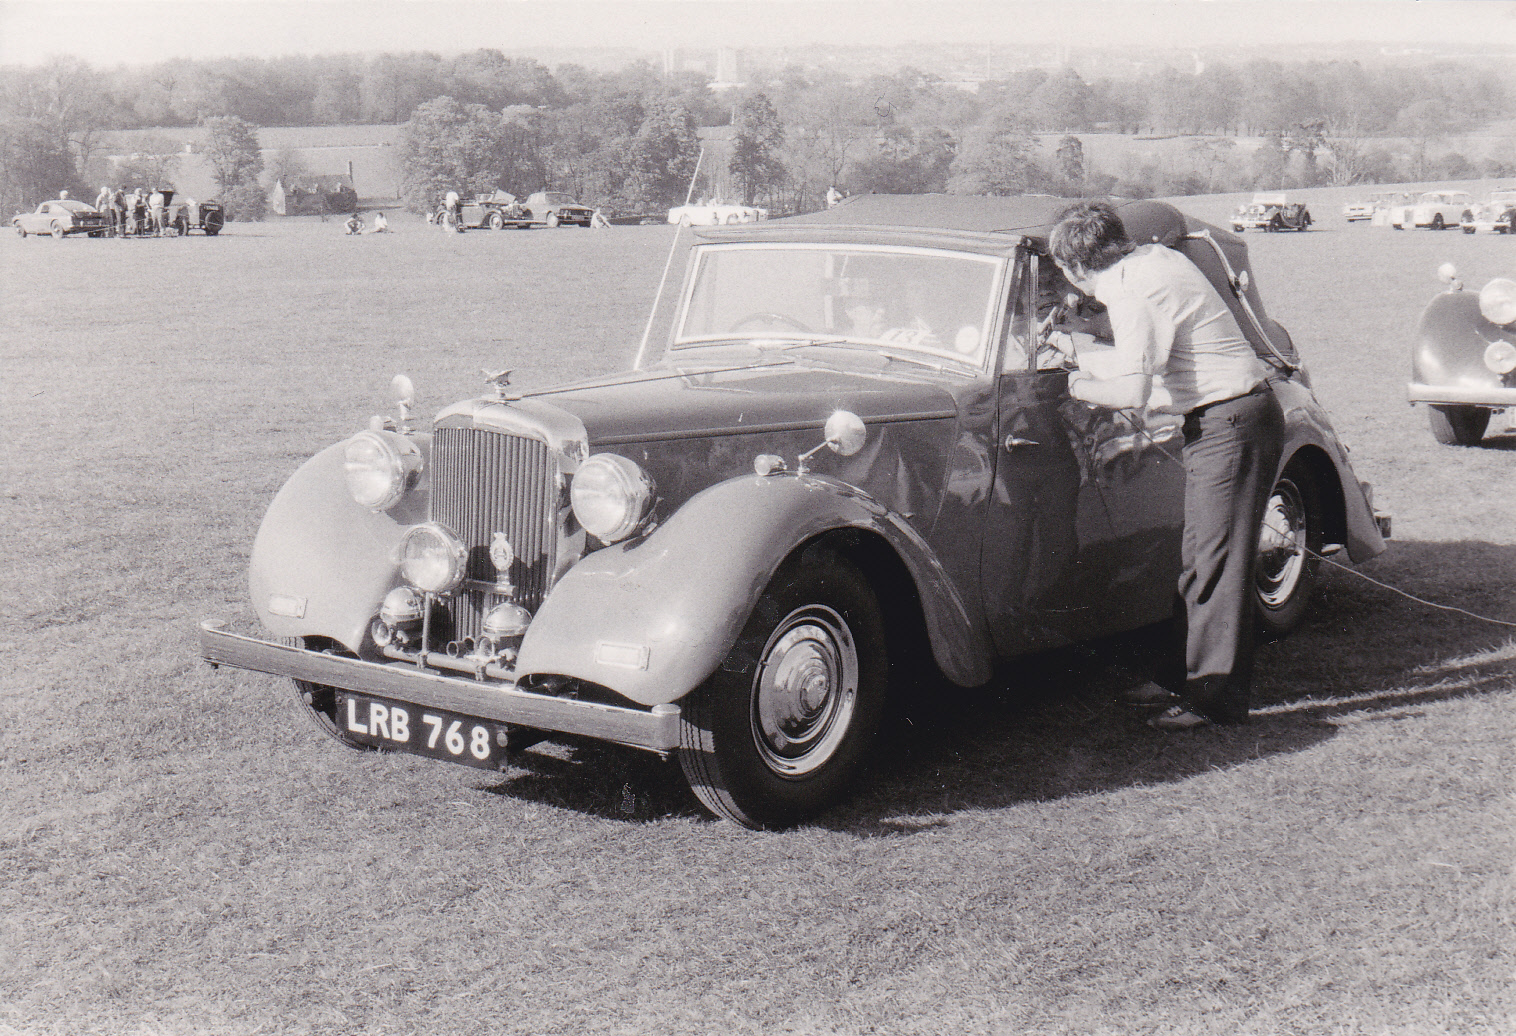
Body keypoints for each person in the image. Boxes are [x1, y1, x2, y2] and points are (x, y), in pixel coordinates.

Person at [1048, 200, 1284, 731]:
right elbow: (1153, 351)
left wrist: (1074, 380)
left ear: (1075, 265)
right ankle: (1182, 676)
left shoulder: (1131, 288)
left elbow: (1133, 390)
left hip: (1230, 422)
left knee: (1217, 564)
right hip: (1229, 418)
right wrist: (1084, 339)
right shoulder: (1154, 261)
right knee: (1200, 558)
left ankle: (1215, 700)